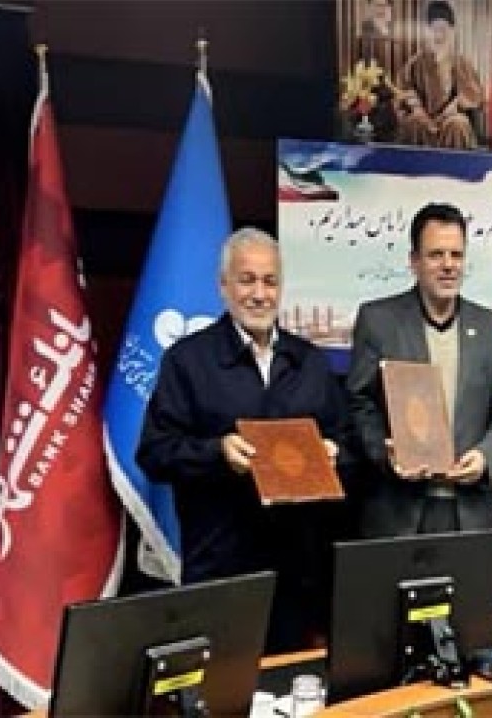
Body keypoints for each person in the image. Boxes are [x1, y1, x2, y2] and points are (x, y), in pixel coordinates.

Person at [136, 226, 354, 651]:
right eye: (247, 280)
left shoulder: (310, 362)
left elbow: (347, 442)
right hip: (220, 568)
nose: (259, 294)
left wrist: (334, 453)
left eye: (270, 281)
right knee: (222, 683)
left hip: (295, 574)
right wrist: (217, 452)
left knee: (287, 682)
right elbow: (154, 452)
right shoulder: (188, 360)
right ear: (224, 287)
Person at [347, 202, 492, 536]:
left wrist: (486, 456)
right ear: (414, 261)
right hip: (397, 509)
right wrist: (385, 453)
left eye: (456, 255)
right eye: (436, 255)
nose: (448, 266)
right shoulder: (378, 321)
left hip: (469, 510)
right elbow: (359, 404)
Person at [395, 0, 484, 149]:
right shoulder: (414, 63)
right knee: (414, 123)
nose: (439, 36)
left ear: (452, 31)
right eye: (434, 30)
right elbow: (404, 91)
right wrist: (417, 109)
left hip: (451, 117)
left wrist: (456, 105)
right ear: (427, 31)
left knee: (458, 124)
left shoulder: (462, 63)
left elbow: (474, 94)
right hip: (422, 116)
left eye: (444, 30)